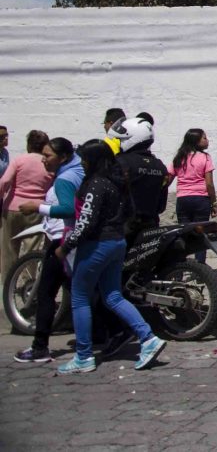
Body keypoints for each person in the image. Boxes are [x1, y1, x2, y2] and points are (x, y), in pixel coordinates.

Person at [55, 139, 167, 374]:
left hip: (96, 245)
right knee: (113, 296)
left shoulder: (95, 185)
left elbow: (86, 220)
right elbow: (128, 212)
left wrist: (67, 246)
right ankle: (148, 337)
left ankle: (83, 355)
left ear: (94, 161)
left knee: (80, 298)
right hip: (117, 243)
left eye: (85, 159)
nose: (82, 163)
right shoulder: (116, 182)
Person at [13, 137, 84, 364]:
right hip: (76, 240)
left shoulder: (64, 179)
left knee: (46, 294)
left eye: (48, 155)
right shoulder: (79, 171)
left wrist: (38, 207)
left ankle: (40, 346)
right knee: (87, 293)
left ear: (63, 157)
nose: (43, 160)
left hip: (62, 240)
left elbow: (66, 210)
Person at [0, 129, 53, 275]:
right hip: (36, 209)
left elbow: (4, 181)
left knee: (9, 250)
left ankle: (7, 285)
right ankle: (28, 284)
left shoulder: (19, 160)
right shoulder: (49, 163)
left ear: (29, 145)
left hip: (12, 208)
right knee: (31, 250)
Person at [165, 129, 217, 264]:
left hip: (183, 199)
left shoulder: (179, 158)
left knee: (183, 234)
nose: (207, 140)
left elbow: (167, 180)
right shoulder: (205, 158)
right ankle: (200, 268)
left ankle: (180, 267)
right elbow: (209, 184)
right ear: (196, 141)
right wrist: (214, 203)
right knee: (200, 234)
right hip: (201, 200)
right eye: (204, 138)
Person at [111, 117, 168, 235]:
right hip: (151, 225)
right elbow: (161, 206)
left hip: (124, 227)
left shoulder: (121, 162)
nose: (120, 144)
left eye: (121, 140)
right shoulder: (160, 166)